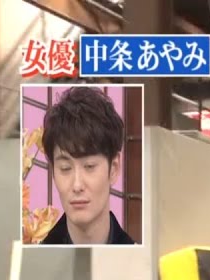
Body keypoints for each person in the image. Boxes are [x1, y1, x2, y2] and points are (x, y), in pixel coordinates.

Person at [39, 86, 137, 246]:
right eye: (65, 168)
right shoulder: (34, 259)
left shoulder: (138, 257)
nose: (77, 185)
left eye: (89, 166)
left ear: (114, 168)